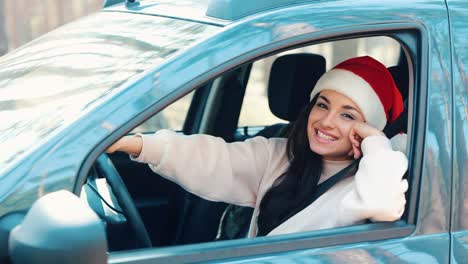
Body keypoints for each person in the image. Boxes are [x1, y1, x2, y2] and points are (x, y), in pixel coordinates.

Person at [107, 56, 409, 238]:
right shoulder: (279, 154)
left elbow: (382, 203)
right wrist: (132, 143)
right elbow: (213, 159)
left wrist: (375, 141)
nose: (326, 121)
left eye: (347, 115)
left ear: (367, 127)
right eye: (322, 105)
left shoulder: (373, 177)